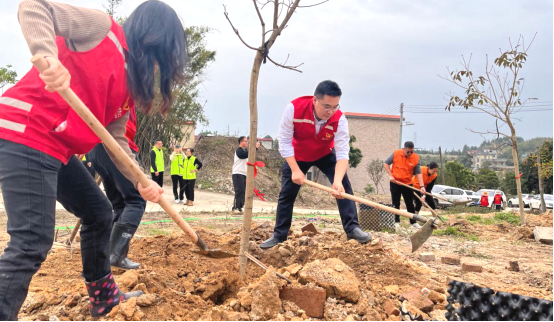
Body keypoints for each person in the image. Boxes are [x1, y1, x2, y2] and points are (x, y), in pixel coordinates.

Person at [0, 0, 187, 319]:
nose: (159, 68)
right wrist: (48, 57)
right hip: (25, 130)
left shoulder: (128, 87)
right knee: (33, 239)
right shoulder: (104, 30)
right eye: (162, 57)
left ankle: (104, 297)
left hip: (55, 147)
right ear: (152, 39)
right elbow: (34, 7)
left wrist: (141, 181)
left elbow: (115, 141)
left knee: (99, 213)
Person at [260, 80, 372, 249]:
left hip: (324, 154)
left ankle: (352, 229)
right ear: (315, 100)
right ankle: (279, 235)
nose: (331, 111)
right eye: (327, 106)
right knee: (287, 194)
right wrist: (295, 170)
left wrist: (338, 179)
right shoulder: (294, 109)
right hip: (297, 155)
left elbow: (342, 152)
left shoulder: (339, 118)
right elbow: (283, 141)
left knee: (344, 189)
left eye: (335, 106)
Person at [88, 101, 147, 271]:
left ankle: (109, 256)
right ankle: (115, 255)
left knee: (121, 203)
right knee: (136, 200)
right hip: (116, 146)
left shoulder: (127, 91)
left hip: (97, 147)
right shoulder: (125, 88)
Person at [384, 141, 426, 230]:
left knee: (410, 203)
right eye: (408, 152)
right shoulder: (396, 153)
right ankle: (396, 221)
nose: (410, 153)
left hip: (407, 184)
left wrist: (422, 187)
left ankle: (413, 222)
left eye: (412, 151)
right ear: (404, 148)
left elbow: (418, 173)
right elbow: (386, 163)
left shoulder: (415, 158)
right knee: (396, 203)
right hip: (395, 182)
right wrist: (390, 176)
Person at [232, 136, 260, 214]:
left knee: (243, 191)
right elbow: (245, 155)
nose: (247, 143)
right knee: (239, 190)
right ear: (241, 142)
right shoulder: (239, 150)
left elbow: (249, 156)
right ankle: (236, 207)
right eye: (245, 141)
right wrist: (255, 148)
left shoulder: (245, 151)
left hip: (244, 174)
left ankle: (240, 207)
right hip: (237, 173)